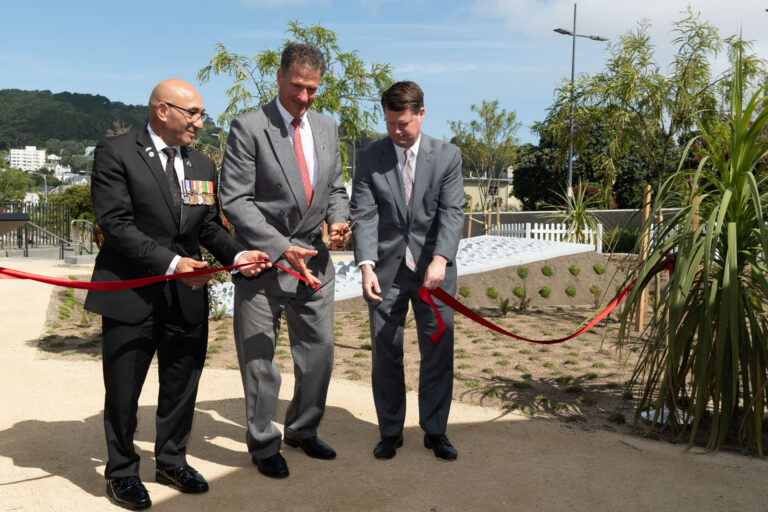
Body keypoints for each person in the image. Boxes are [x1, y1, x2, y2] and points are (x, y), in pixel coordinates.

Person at [85, 79, 270, 510]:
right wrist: (172, 264)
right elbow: (115, 223)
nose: (200, 124)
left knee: (181, 384)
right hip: (131, 292)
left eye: (202, 114)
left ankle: (171, 460)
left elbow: (206, 228)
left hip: (187, 296)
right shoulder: (116, 152)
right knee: (124, 390)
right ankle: (122, 472)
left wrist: (239, 254)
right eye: (193, 114)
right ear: (161, 110)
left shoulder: (203, 165)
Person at [219, 43, 349, 479]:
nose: (305, 97)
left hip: (317, 261)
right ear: (279, 77)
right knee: (260, 360)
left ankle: (302, 428)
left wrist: (339, 221)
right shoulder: (249, 126)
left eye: (313, 89)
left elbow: (336, 189)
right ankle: (263, 441)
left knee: (320, 353)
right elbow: (235, 199)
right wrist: (278, 246)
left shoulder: (328, 127)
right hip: (265, 262)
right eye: (297, 87)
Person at [350, 81, 465, 460]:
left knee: (437, 349)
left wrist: (441, 259)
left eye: (404, 124)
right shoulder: (370, 158)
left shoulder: (447, 156)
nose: (397, 132)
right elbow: (364, 215)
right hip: (387, 272)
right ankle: (390, 431)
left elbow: (451, 212)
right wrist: (366, 265)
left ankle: (435, 431)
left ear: (421, 114)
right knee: (386, 351)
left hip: (434, 273)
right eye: (390, 124)